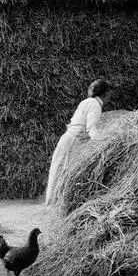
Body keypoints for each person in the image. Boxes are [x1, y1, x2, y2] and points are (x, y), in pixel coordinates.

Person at [45, 78, 111, 208]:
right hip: (73, 141)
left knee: (58, 169)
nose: (110, 96)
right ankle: (55, 206)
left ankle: (52, 204)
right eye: (109, 92)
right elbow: (91, 129)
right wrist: (105, 142)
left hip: (69, 138)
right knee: (64, 171)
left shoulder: (87, 102)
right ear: (106, 93)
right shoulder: (95, 105)